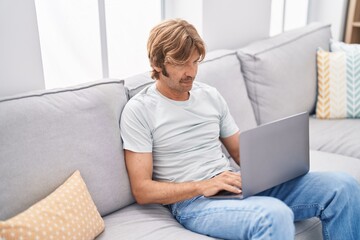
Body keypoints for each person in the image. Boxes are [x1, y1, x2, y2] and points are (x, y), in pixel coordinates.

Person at [120, 18, 360, 240]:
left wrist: (276, 168)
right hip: (194, 202)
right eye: (182, 63)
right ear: (156, 63)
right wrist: (204, 185)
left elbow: (239, 152)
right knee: (273, 216)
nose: (191, 72)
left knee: (343, 187)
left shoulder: (209, 96)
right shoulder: (139, 110)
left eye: (195, 61)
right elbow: (142, 190)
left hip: (233, 184)